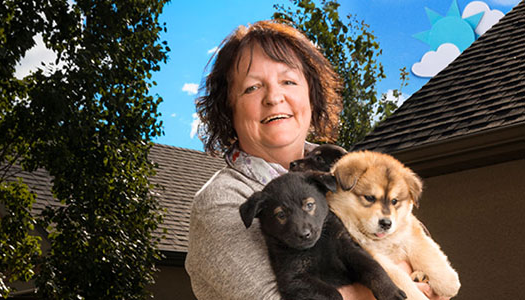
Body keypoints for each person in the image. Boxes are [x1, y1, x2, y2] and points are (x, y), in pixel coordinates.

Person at [185, 20, 447, 300]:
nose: (274, 97)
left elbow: (426, 268)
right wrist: (392, 286)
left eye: (288, 81)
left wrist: (411, 275)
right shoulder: (223, 200)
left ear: (311, 94)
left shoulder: (344, 170)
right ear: (228, 107)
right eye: (252, 88)